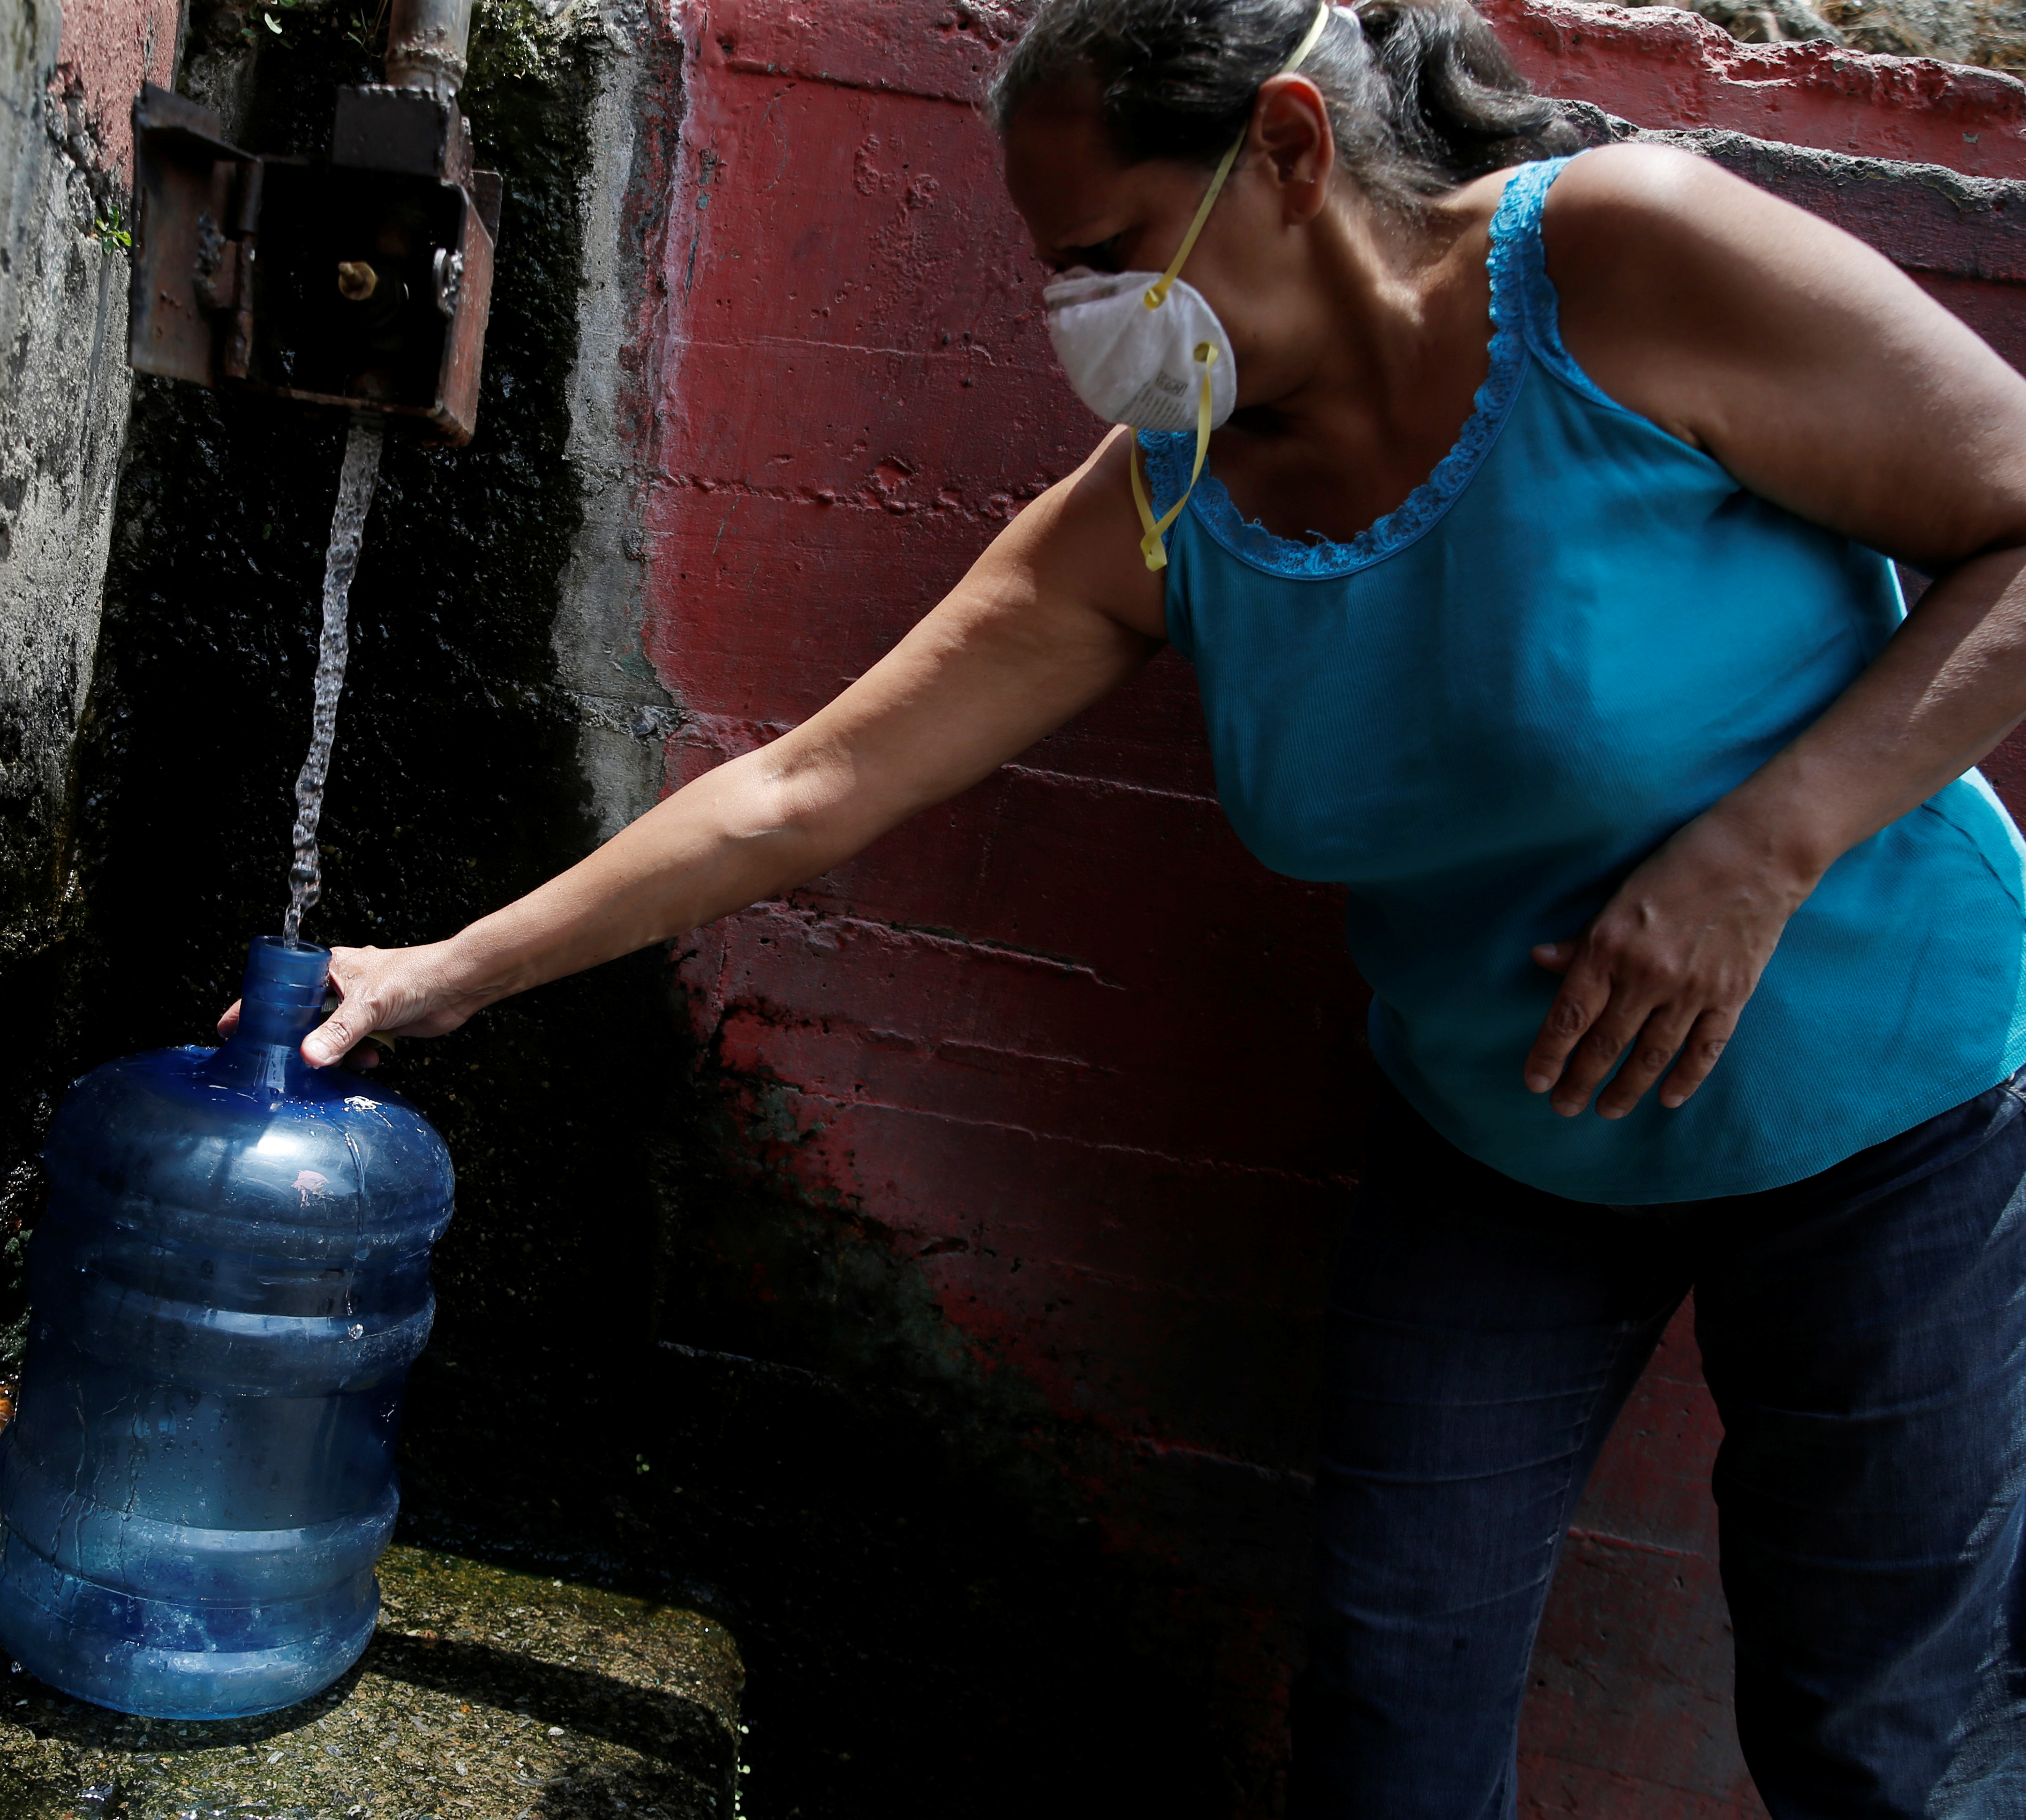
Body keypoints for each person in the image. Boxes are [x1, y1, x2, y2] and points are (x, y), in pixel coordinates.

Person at [230, 0, 2026, 1806]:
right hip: (1513, 1136)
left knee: (1872, 1736)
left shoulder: (1622, 258)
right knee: (1389, 1717)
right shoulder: (1168, 493)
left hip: (1883, 1101)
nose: (1077, 313)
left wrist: (1757, 851)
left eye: (1102, 255)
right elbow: (812, 785)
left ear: (1293, 151)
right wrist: (443, 972)